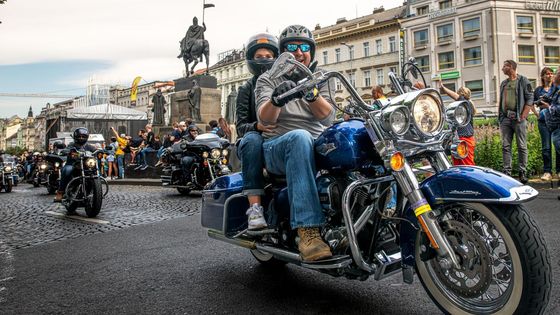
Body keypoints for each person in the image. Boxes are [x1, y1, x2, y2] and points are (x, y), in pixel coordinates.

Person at [255, 24, 335, 261]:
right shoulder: (267, 79)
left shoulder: (321, 78)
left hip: (316, 142)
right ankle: (307, 231)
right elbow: (264, 117)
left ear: (311, 51)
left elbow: (329, 117)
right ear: (283, 52)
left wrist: (310, 92)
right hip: (278, 146)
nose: (299, 52)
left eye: (304, 47)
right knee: (300, 137)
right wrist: (278, 99)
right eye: (292, 47)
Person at [235, 32, 279, 231]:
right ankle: (255, 209)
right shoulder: (246, 89)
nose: (264, 60)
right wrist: (257, 127)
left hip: (277, 137)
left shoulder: (281, 83)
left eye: (269, 57)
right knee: (252, 140)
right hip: (253, 142)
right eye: (260, 57)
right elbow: (240, 126)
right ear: (251, 59)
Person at [498, 60, 533, 183]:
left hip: (519, 119)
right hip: (505, 119)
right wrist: (501, 117)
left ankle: (522, 172)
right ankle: (507, 172)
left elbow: (530, 98)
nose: (502, 68)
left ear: (511, 67)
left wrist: (523, 115)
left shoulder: (523, 81)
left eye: (504, 66)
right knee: (505, 146)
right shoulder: (503, 83)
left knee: (522, 146)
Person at [54, 128, 97, 203]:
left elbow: (96, 150)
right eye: (79, 136)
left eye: (83, 136)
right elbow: (65, 150)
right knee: (67, 171)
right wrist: (67, 151)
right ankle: (60, 192)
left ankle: (96, 191)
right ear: (75, 137)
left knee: (94, 169)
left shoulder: (88, 146)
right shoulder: (72, 145)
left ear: (86, 137)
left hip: (86, 166)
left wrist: (102, 151)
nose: (81, 138)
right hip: (72, 165)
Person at [439, 82, 476, 166]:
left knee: (467, 165)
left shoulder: (466, 104)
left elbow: (457, 97)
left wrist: (444, 89)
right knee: (458, 165)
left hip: (465, 139)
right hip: (461, 139)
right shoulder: (463, 107)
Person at [532, 67, 558, 181]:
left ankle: (559, 170)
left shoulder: (556, 88)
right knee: (546, 147)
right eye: (547, 74)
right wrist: (537, 114)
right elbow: (531, 102)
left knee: (558, 146)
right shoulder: (538, 90)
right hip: (543, 121)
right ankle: (547, 172)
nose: (550, 75)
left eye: (552, 73)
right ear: (542, 76)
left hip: (556, 120)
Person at [540, 69, 560, 182]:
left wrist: (548, 107)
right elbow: (548, 96)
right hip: (551, 123)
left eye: (555, 73)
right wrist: (541, 100)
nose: (552, 76)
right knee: (550, 147)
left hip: (557, 124)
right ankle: (548, 171)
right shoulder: (555, 87)